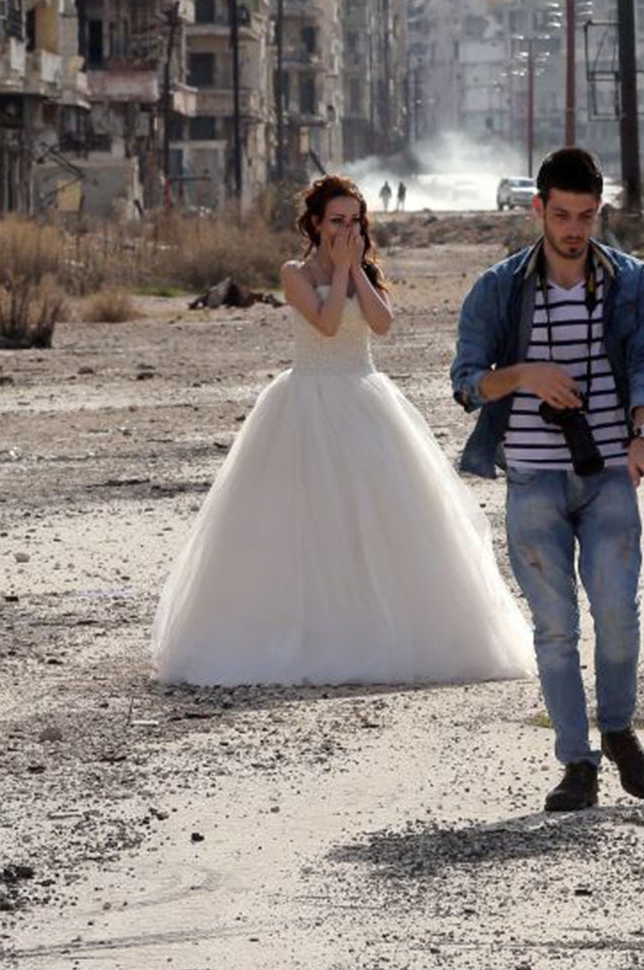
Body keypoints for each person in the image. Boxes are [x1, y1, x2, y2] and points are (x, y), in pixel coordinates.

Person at [152, 176, 534, 688]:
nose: (347, 229)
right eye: (337, 220)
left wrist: (355, 270)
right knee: (304, 521)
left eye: (354, 221)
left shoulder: (362, 269)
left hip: (364, 395)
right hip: (307, 399)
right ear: (314, 223)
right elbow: (327, 325)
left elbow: (381, 324)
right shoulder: (295, 273)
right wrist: (338, 270)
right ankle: (306, 633)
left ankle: (381, 629)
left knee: (381, 518)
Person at [452, 147, 644, 812]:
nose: (575, 228)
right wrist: (525, 375)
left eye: (587, 215)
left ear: (600, 211)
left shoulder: (630, 281)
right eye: (561, 214)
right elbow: (466, 383)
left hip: (611, 472)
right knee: (555, 629)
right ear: (538, 210)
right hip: (530, 479)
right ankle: (576, 762)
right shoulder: (497, 288)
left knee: (618, 614)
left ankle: (619, 732)